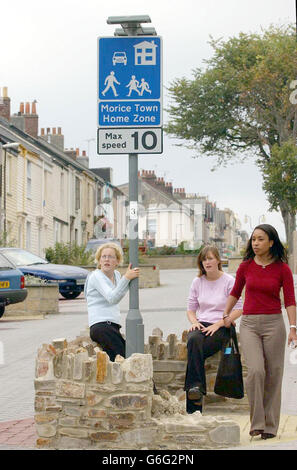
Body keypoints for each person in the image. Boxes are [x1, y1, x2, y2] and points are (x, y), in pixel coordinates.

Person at [223, 224, 297, 440]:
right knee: (256, 371)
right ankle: (257, 423)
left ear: (271, 242)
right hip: (249, 325)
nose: (255, 243)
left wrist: (293, 328)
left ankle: (271, 425)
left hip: (274, 324)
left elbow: (290, 301)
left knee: (274, 374)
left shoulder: (282, 269)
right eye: (253, 239)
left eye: (260, 239)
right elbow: (235, 292)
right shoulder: (245, 267)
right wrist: (225, 314)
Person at [185, 245, 243, 414]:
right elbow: (190, 308)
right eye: (204, 259)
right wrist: (194, 321)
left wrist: (218, 324)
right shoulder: (197, 282)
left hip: (223, 325)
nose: (207, 262)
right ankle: (196, 388)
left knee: (195, 350)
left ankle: (194, 400)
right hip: (202, 324)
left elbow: (239, 309)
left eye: (210, 258)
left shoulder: (229, 281)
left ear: (218, 260)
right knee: (194, 339)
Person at [84, 242, 139, 361]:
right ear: (99, 261)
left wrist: (126, 279)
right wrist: (127, 278)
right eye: (103, 257)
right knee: (124, 359)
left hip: (113, 327)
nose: (106, 259)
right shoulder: (96, 276)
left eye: (111, 256)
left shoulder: (117, 275)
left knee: (126, 356)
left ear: (117, 261)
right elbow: (112, 298)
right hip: (101, 327)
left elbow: (119, 294)